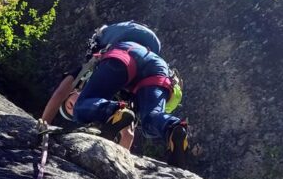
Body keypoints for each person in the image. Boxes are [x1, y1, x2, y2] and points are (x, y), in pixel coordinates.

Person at [39, 21, 189, 166]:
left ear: (72, 92)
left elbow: (59, 94)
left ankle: (113, 110)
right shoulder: (118, 109)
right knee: (150, 121)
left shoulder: (85, 74)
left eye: (70, 104)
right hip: (156, 64)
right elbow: (128, 135)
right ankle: (173, 128)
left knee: (82, 109)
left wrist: (43, 125)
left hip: (124, 52)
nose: (74, 104)